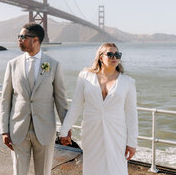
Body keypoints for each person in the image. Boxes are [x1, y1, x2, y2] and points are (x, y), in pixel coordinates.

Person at [0, 22, 70, 175]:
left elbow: (61, 100)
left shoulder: (54, 65)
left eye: (23, 37)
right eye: (19, 36)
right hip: (18, 129)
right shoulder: (12, 64)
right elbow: (5, 99)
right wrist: (4, 130)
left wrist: (66, 128)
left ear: (36, 40)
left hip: (45, 130)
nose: (19, 39)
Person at [59, 43, 138, 175]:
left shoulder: (128, 82)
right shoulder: (85, 76)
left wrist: (132, 142)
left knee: (116, 169)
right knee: (92, 169)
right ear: (101, 57)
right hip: (91, 132)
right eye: (110, 54)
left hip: (117, 133)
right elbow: (76, 105)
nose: (114, 57)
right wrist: (64, 130)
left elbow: (131, 114)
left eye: (117, 55)